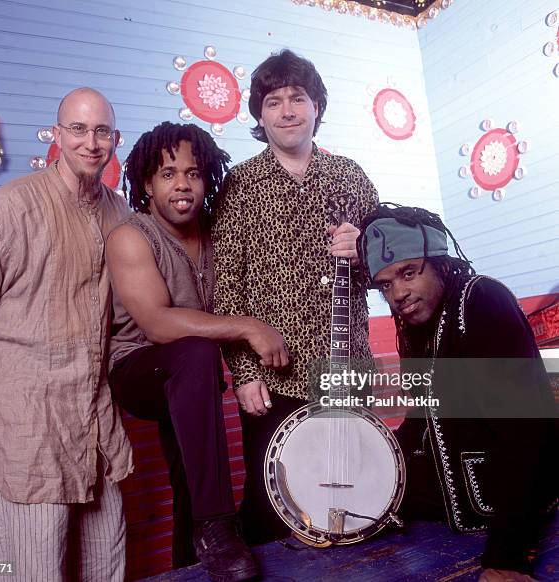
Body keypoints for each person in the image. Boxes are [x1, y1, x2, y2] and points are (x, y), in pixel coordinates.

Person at [0, 87, 133, 581]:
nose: (89, 142)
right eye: (77, 129)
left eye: (100, 131)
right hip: (30, 418)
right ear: (56, 134)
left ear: (114, 139)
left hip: (95, 416)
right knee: (33, 566)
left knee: (104, 562)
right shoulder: (12, 207)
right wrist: (3, 365)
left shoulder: (121, 214)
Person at [107, 122, 289, 581]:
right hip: (138, 369)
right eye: (168, 174)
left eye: (193, 173)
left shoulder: (216, 234)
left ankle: (195, 558)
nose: (182, 184)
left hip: (193, 380)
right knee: (195, 353)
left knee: (192, 476)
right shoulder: (132, 236)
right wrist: (249, 328)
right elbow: (157, 322)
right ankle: (218, 525)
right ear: (147, 183)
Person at [211, 49, 379, 545]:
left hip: (346, 362)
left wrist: (364, 251)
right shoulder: (240, 184)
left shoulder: (351, 175)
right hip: (273, 376)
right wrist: (243, 375)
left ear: (317, 107)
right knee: (274, 502)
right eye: (274, 101)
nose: (287, 110)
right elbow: (228, 286)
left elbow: (390, 273)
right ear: (259, 115)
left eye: (298, 98)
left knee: (355, 495)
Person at [357, 203, 557, 582]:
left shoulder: (482, 301)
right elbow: (423, 418)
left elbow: (527, 431)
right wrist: (374, 470)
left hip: (510, 509)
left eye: (408, 273)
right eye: (385, 284)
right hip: (456, 503)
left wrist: (507, 555)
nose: (398, 293)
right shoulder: (418, 325)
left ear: (440, 262)